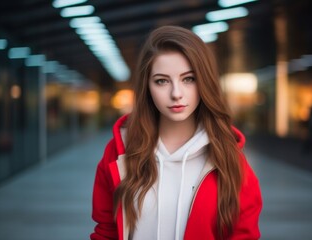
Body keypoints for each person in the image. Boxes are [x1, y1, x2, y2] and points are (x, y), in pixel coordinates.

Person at [90, 26, 262, 240]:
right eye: (162, 81)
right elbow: (106, 232)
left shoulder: (230, 162)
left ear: (204, 82)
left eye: (188, 79)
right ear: (147, 87)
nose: (176, 94)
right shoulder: (119, 153)